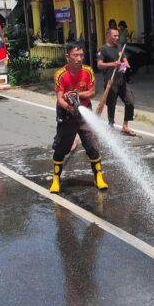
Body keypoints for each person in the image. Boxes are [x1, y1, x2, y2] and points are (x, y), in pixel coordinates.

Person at [50, 42, 108, 193]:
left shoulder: (88, 71)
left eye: (81, 55)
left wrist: (76, 95)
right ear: (67, 56)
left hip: (84, 112)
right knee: (62, 147)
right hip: (66, 114)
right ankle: (56, 179)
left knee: (92, 146)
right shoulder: (60, 74)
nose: (79, 58)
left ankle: (99, 177)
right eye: (75, 55)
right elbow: (60, 99)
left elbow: (91, 92)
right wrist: (69, 106)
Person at [97, 27, 136, 136]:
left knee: (130, 101)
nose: (117, 37)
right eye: (115, 36)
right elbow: (99, 65)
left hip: (121, 81)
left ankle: (125, 126)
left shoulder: (119, 47)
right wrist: (112, 64)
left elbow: (123, 58)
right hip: (110, 82)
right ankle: (111, 125)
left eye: (118, 35)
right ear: (108, 36)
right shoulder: (103, 49)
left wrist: (126, 63)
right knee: (111, 104)